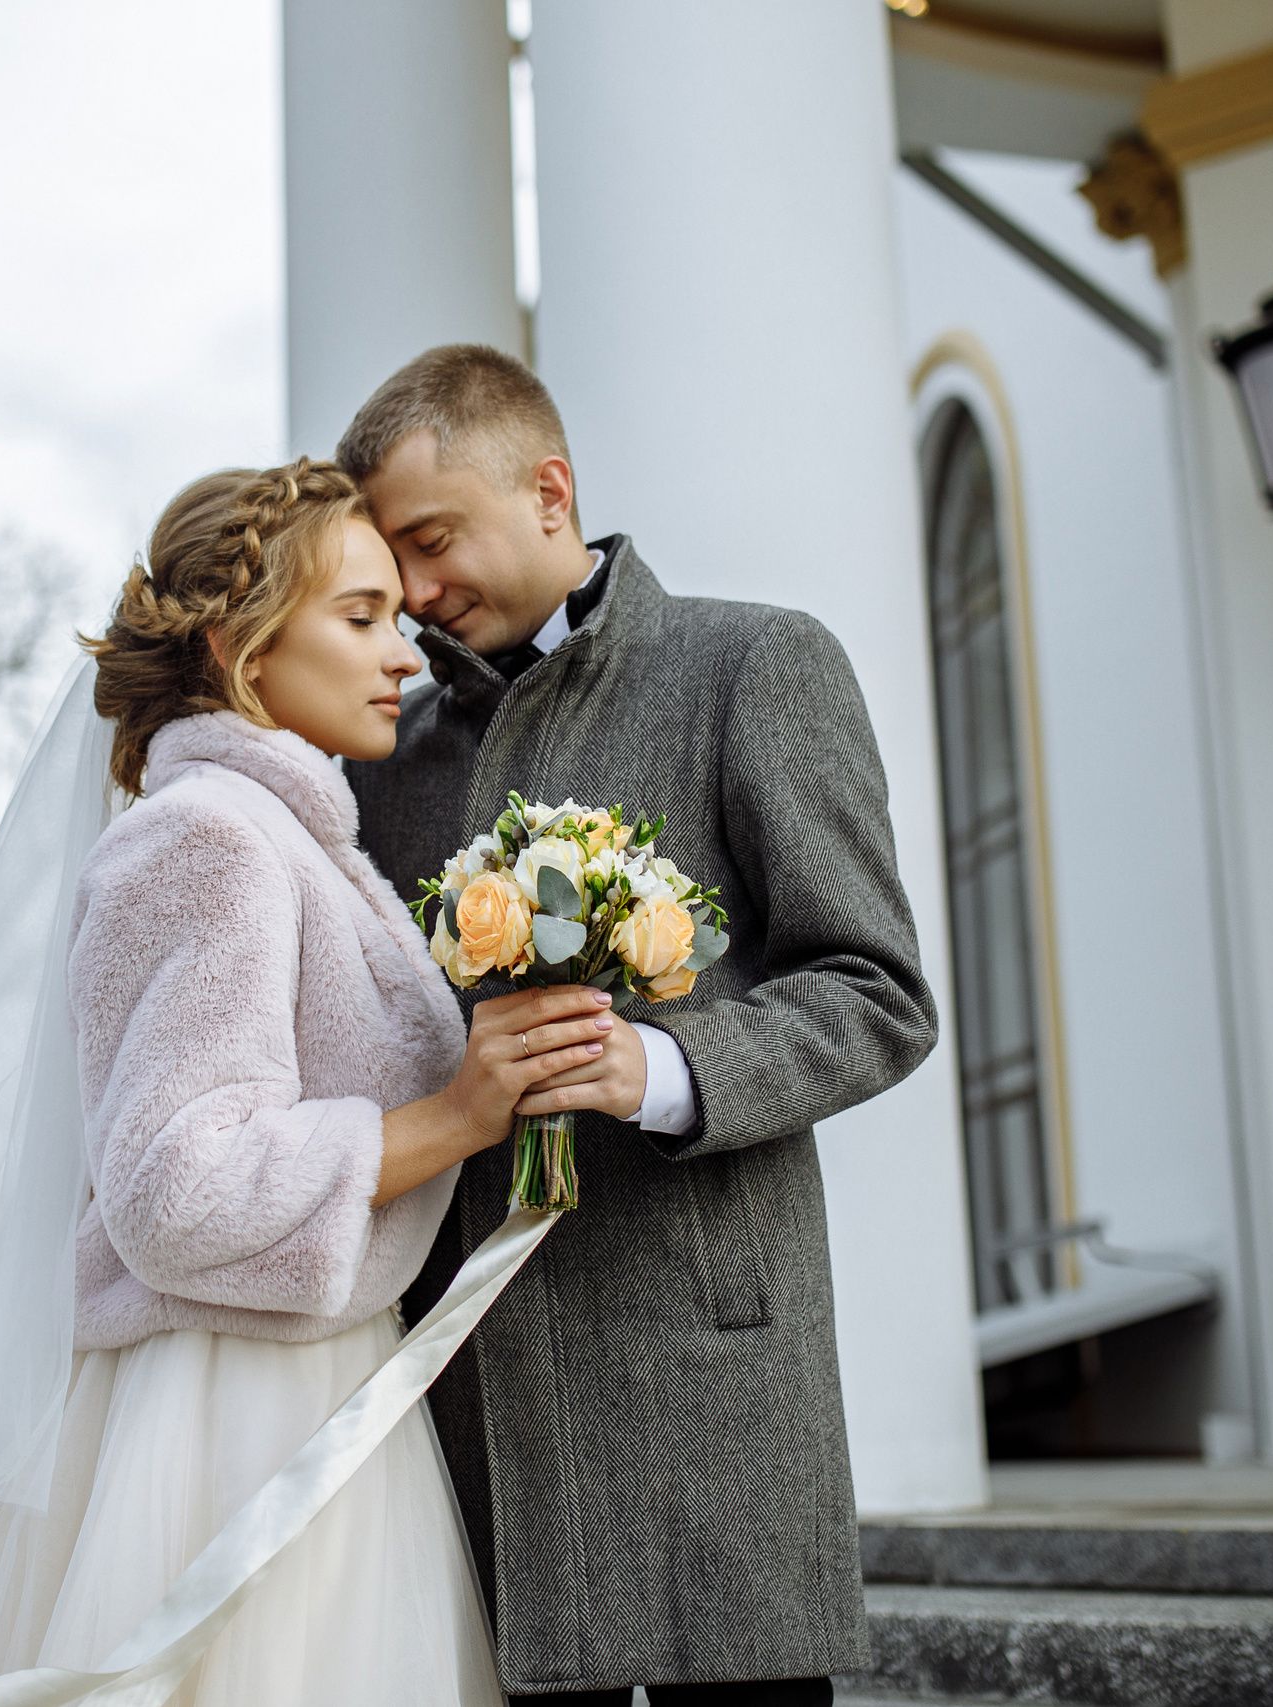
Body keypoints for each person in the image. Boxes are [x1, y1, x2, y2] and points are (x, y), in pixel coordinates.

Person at [0, 462, 617, 1707]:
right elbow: (173, 1190)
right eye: (360, 616)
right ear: (239, 648)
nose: (406, 653)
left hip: (307, 1390)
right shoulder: (207, 838)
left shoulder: (292, 837)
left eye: (398, 614)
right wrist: (452, 1118)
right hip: (224, 1424)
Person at [337, 344, 939, 1705]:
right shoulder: (383, 760)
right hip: (475, 1383)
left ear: (548, 488)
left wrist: (660, 1065)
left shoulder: (758, 663)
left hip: (709, 1365)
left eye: (433, 541)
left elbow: (879, 990)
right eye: (392, 560)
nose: (417, 592)